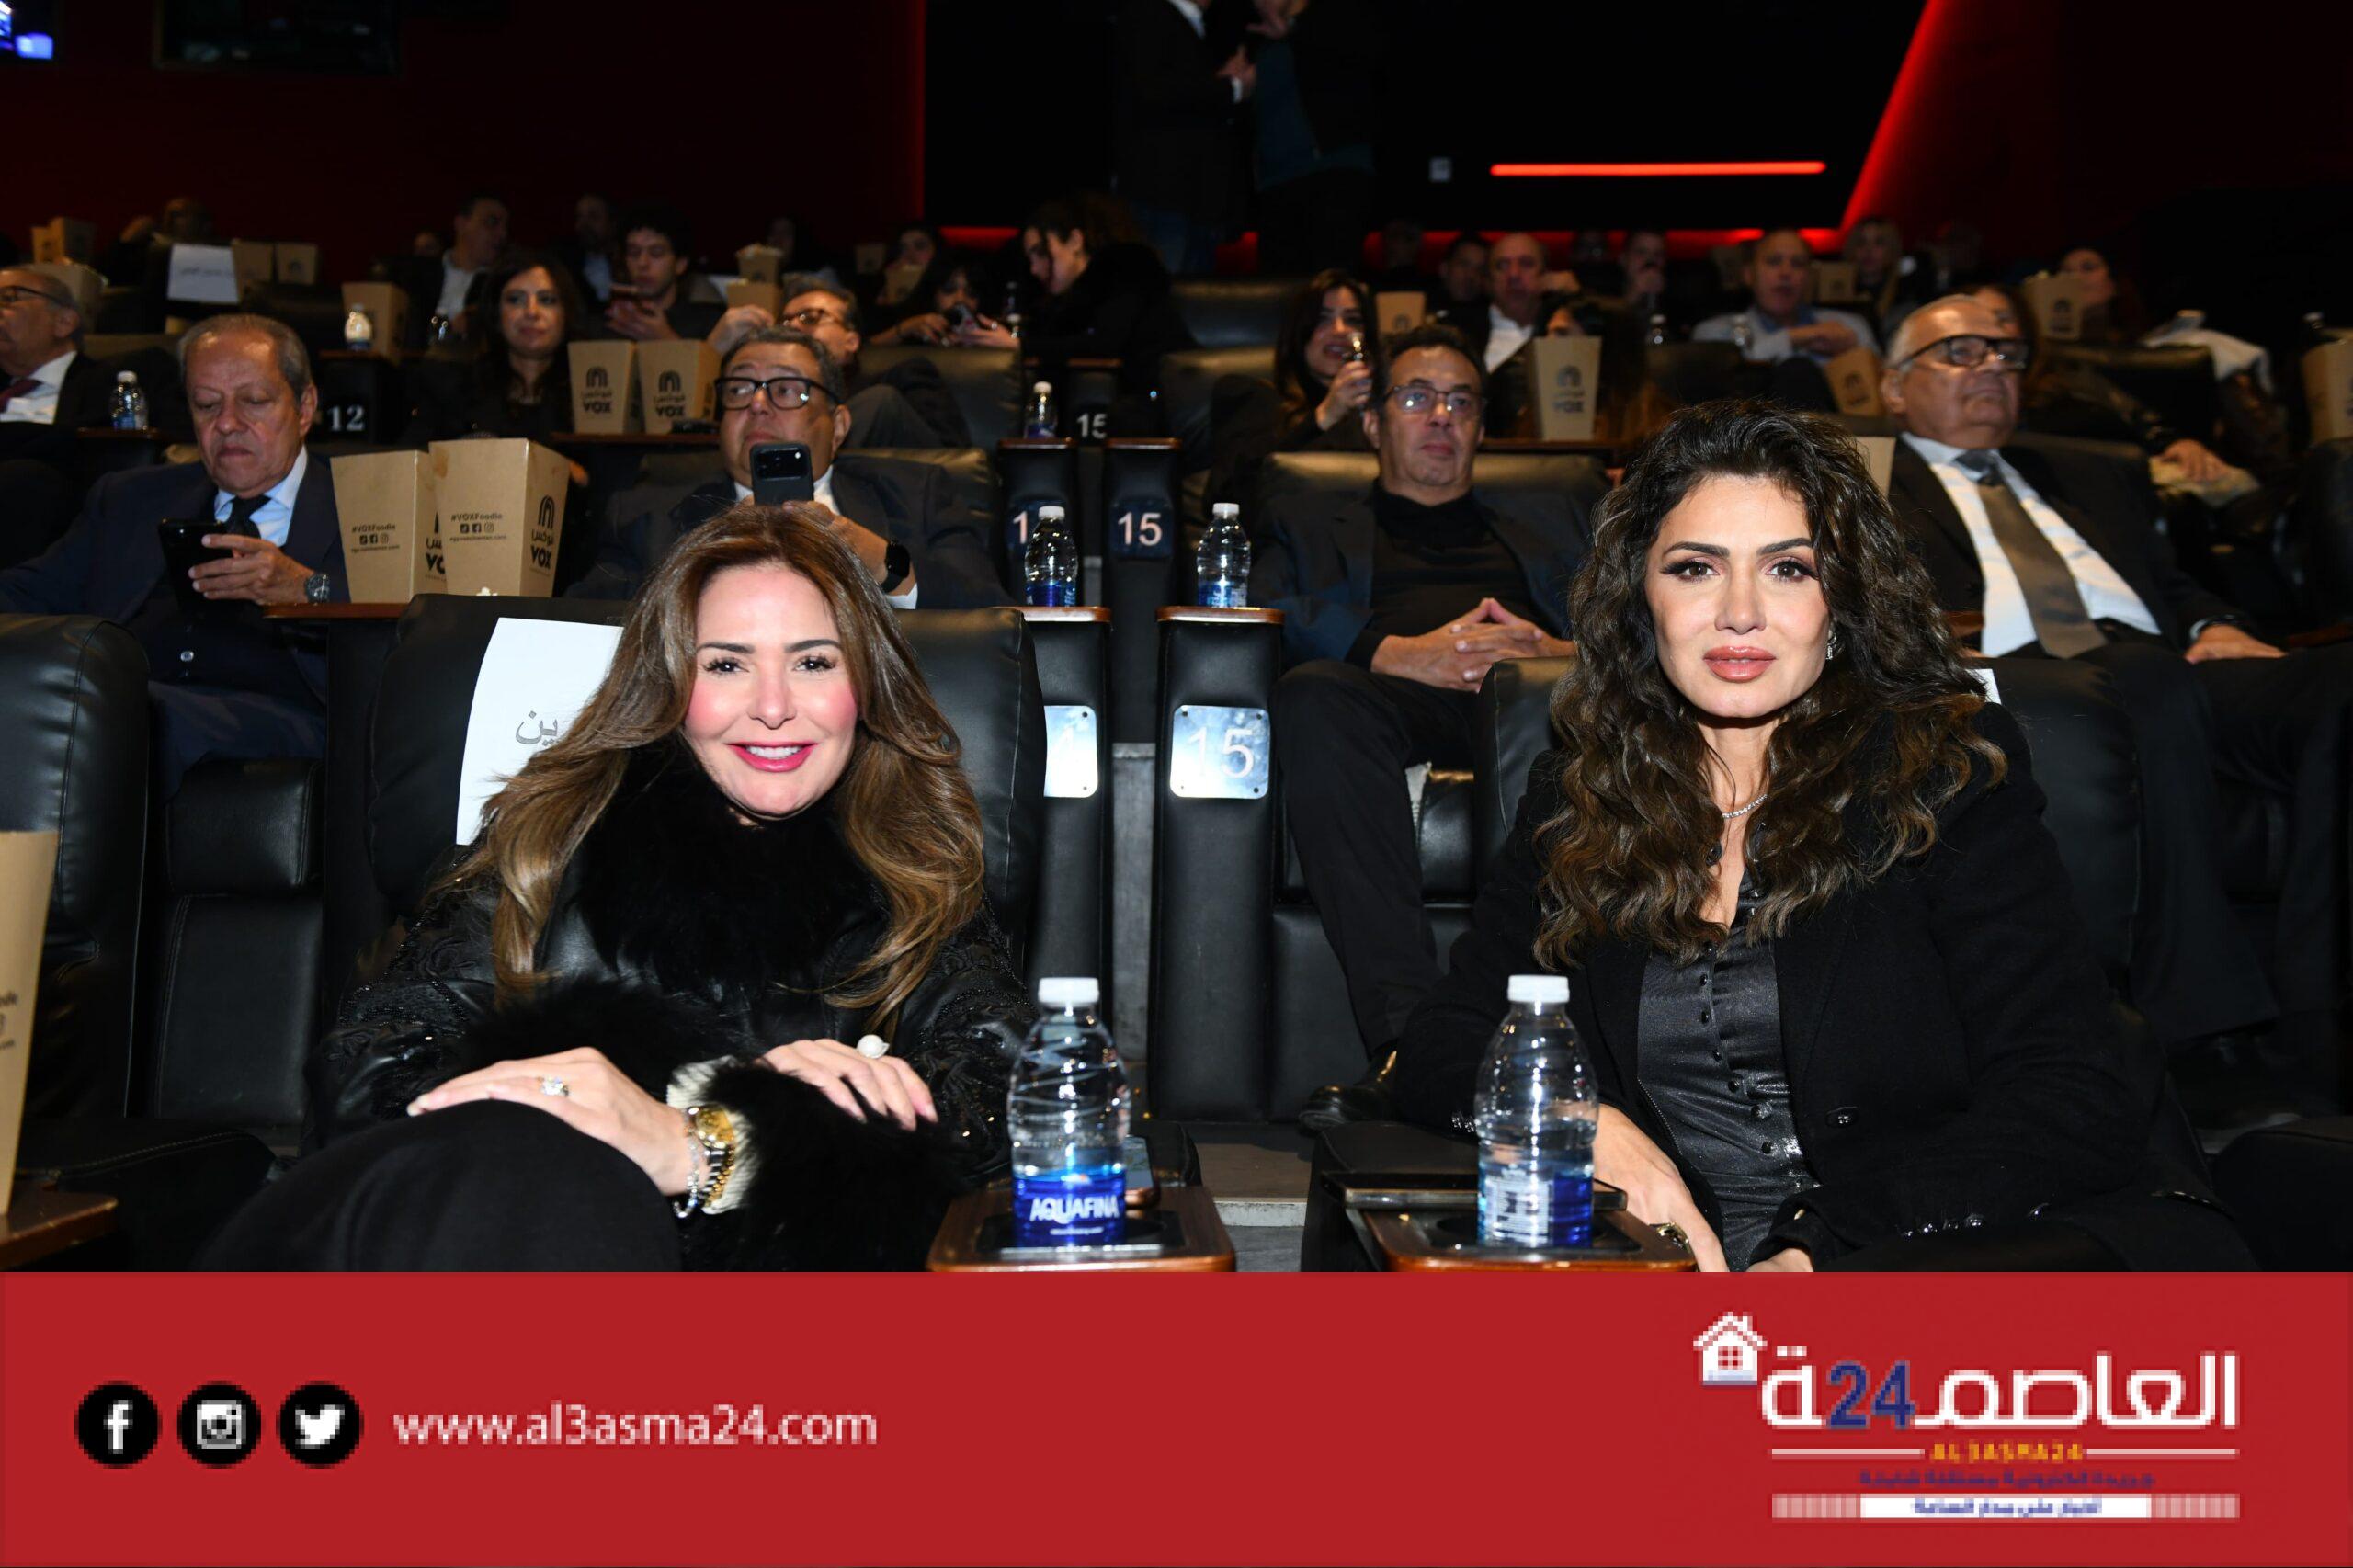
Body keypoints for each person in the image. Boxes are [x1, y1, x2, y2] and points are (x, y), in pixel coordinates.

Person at [1387, 400, 2249, 1271]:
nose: (1740, 613)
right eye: (1695, 568)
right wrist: (1581, 1125)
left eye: (1789, 569)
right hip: (1677, 1270)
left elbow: (2070, 1093)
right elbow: (1440, 1043)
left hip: (1923, 1252)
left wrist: (1815, 1252)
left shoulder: (1942, 777)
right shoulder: (1581, 794)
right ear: (1641, 598)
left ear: (1843, 601)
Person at [199, 505, 1032, 1270]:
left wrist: (707, 1143)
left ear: (866, 688)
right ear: (669, 686)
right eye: (727, 664)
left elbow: (1013, 1107)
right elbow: (366, 1073)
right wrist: (617, 1118)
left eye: (813, 661)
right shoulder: (546, 843)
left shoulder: (915, 873)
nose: (774, 707)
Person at [1880, 293, 2350, 1106]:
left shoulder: (2088, 470)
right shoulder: (1868, 480)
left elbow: (2171, 584)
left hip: (2178, 664)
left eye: (2006, 353)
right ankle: (2198, 1025)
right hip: (2024, 675)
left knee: (2337, 682)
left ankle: (2320, 1019)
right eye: (1959, 351)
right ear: (1893, 387)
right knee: (2143, 681)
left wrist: (2215, 623)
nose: (1991, 365)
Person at [1258, 324, 1589, 1127]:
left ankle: (1575, 1049)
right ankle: (1413, 1045)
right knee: (1315, 696)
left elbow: (1649, 618)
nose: (1441, 415)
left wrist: (1552, 653)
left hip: (1537, 705)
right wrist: (1396, 652)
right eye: (1416, 398)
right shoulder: (1307, 518)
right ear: (1373, 424)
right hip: (1393, 703)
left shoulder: (1558, 520)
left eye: (1460, 402)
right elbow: (1255, 608)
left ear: (1481, 427)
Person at [0, 314, 347, 788]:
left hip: (281, 712)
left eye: (253, 401)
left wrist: (307, 588)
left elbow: (408, 628)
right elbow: (34, 590)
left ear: (304, 408)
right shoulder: (132, 499)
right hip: (124, 697)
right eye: (206, 405)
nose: (228, 423)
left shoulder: (361, 506)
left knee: (125, 713)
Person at [570, 325, 1002, 608]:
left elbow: (990, 615)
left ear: (838, 426)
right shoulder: (641, 516)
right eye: (739, 388)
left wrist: (878, 562)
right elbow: (583, 629)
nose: (758, 404)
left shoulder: (917, 492)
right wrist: (708, 552)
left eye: (787, 389)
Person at [954, 199, 1193, 395]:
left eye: (1041, 253)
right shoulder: (1066, 303)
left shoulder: (1126, 268)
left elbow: (1105, 344)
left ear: (1075, 241)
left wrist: (1020, 345)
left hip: (1176, 395)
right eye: (1030, 259)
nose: (1035, 269)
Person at [708, 275, 970, 449]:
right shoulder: (760, 399)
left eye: (811, 318)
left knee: (880, 402)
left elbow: (955, 462)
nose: (793, 328)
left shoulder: (905, 378)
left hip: (891, 499)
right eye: (784, 322)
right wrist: (714, 351)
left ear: (851, 342)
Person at [1205, 267, 1374, 508]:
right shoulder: (1254, 397)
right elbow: (1224, 496)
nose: (1340, 330)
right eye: (1323, 319)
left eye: (1353, 320)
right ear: (1299, 331)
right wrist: (1325, 415)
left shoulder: (1376, 411)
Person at [1112, 0, 1250, 277]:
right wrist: (1232, 87)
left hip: (1195, 199)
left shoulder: (1193, 24)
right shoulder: (1149, 13)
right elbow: (1154, 92)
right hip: (1163, 193)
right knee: (1164, 288)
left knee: (1190, 292)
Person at [1243, 0, 1380, 276]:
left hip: (1332, 171)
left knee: (1330, 281)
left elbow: (1365, 60)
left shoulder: (1336, 18)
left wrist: (1293, 30)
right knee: (1281, 287)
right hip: (1274, 183)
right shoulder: (1258, 40)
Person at [0, 265, 120, 566]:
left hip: (48, 512)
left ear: (64, 322)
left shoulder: (108, 382)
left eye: (9, 298)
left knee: (24, 477)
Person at [401, 251, 584, 446]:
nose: (531, 312)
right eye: (516, 299)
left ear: (566, 313)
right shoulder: (453, 393)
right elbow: (411, 457)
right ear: (496, 313)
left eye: (547, 300)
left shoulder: (590, 397)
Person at [1694, 228, 1878, 366]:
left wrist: (1854, 354)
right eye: (1774, 262)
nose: (1785, 273)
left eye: (1797, 264)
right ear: (1749, 274)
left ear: (1809, 278)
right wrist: (1797, 336)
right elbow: (1736, 368)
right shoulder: (1714, 331)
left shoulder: (1851, 327)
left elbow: (1883, 387)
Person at [398, 192, 509, 350]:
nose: (502, 234)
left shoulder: (502, 284)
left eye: (505, 227)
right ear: (461, 225)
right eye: (492, 223)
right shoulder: (416, 274)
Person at [603, 204, 723, 343]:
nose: (642, 263)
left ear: (680, 264)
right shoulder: (608, 323)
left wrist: (666, 339)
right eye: (634, 253)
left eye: (656, 253)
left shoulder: (710, 324)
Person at [869, 254, 985, 347]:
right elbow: (866, 351)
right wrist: (907, 328)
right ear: (933, 292)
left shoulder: (989, 331)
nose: (960, 299)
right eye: (949, 289)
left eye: (971, 293)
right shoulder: (912, 326)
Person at [1841, 215, 1924, 342]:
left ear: (1892, 249)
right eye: (1861, 243)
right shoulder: (1837, 295)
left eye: (1878, 243)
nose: (1868, 250)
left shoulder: (1905, 296)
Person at [551, 192, 617, 305]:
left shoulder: (627, 262)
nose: (584, 225)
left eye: (593, 217)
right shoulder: (566, 264)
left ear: (612, 223)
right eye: (579, 217)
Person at [1436, 233, 1489, 310]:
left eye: (1480, 270)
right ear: (1444, 269)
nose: (1471, 275)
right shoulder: (1421, 306)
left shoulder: (1491, 313)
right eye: (1464, 265)